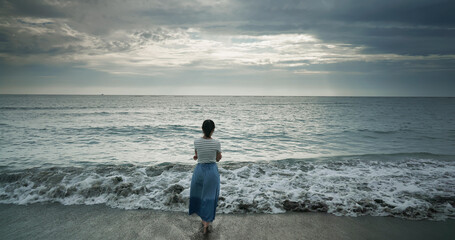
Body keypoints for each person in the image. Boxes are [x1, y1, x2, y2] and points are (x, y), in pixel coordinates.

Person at [189, 119, 222, 234]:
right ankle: (206, 224)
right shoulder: (217, 143)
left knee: (200, 196)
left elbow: (196, 156)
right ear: (213, 130)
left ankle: (203, 221)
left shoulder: (196, 142)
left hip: (199, 171)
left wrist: (196, 156)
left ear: (202, 129)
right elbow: (218, 158)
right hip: (211, 172)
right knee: (209, 197)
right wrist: (217, 156)